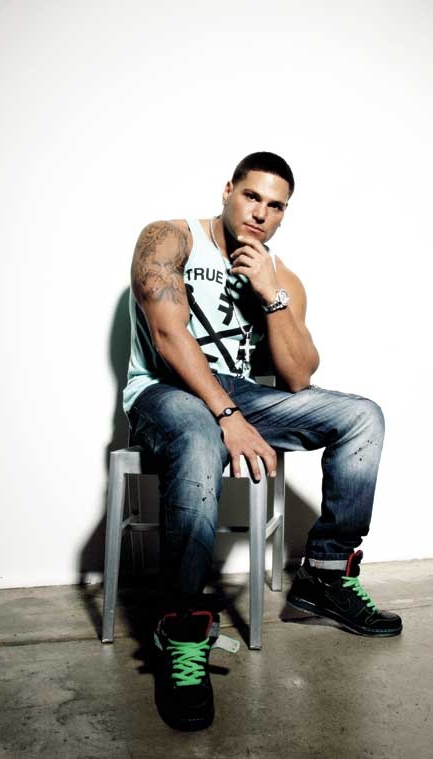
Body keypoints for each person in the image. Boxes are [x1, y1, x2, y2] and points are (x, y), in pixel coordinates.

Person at [122, 151, 402, 732]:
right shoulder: (170, 238)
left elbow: (299, 377)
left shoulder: (280, 275)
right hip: (166, 392)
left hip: (243, 397)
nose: (260, 214)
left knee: (362, 417)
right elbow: (167, 335)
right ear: (228, 189)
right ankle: (182, 628)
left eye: (276, 207)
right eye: (252, 197)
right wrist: (225, 414)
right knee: (199, 433)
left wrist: (271, 294)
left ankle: (325, 576)